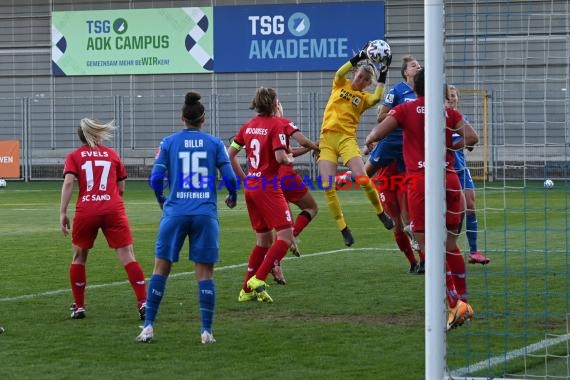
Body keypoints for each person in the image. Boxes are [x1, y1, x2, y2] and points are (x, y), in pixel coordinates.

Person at [365, 68, 479, 331]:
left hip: (421, 181)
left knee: (427, 244)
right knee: (450, 245)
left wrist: (370, 142)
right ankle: (462, 301)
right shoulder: (448, 113)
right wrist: (450, 148)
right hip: (449, 179)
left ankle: (454, 303)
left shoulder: (405, 110)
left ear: (414, 88)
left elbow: (377, 134)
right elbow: (472, 138)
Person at [136, 92, 237, 344]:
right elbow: (231, 178)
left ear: (183, 118)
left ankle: (148, 327)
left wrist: (163, 201)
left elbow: (156, 179)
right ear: (204, 119)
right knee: (205, 274)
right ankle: (206, 332)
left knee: (161, 268)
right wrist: (233, 196)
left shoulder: (169, 142)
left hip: (175, 212)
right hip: (204, 213)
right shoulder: (214, 144)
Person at [228, 87, 319, 303]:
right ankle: (258, 279)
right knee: (285, 237)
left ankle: (245, 291)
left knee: (263, 240)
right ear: (273, 104)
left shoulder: (248, 126)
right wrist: (289, 160)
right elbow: (281, 157)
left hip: (251, 185)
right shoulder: (277, 125)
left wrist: (244, 179)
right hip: (268, 185)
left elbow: (230, 154)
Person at [60, 118, 147, 320]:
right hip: (113, 209)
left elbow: (68, 183)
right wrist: (110, 200)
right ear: (97, 135)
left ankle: (79, 307)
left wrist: (63, 212)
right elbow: (122, 187)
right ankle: (143, 303)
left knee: (79, 257)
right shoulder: (112, 155)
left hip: (86, 210)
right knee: (127, 255)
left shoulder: (74, 156)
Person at [318, 42, 394, 247]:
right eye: (359, 76)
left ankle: (381, 213)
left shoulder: (363, 98)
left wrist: (384, 71)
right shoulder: (340, 84)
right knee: (327, 185)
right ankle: (344, 228)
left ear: (369, 83)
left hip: (346, 140)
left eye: (366, 80)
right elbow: (340, 72)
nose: (361, 81)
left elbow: (378, 97)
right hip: (327, 140)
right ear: (355, 74)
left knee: (362, 178)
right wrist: (359, 56)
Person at [446, 85, 490, 265]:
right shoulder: (438, 117)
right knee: (448, 211)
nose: (452, 98)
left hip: (461, 168)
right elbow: (465, 141)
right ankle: (445, 248)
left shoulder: (461, 118)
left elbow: (469, 143)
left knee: (470, 206)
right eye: (449, 96)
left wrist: (462, 143)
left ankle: (473, 251)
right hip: (444, 169)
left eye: (454, 96)